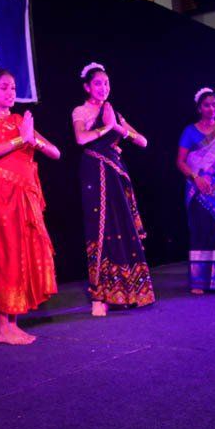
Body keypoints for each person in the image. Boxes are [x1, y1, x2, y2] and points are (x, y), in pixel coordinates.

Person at [0, 64, 60, 344]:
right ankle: (3, 325)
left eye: (13, 87)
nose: (11, 92)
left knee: (22, 253)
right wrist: (22, 138)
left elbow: (56, 152)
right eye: (3, 87)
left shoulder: (21, 119)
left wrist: (33, 139)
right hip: (1, 191)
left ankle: (13, 323)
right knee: (5, 253)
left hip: (25, 193)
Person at [71, 62, 154, 316]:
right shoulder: (81, 111)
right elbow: (81, 139)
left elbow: (142, 141)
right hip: (94, 172)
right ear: (87, 87)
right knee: (100, 228)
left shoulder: (114, 113)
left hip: (116, 174)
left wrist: (117, 127)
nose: (103, 88)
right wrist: (105, 127)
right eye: (98, 83)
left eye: (106, 83)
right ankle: (99, 296)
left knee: (122, 228)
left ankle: (128, 292)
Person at [175, 87, 215, 294]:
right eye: (206, 105)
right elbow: (181, 162)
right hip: (198, 188)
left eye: (214, 104)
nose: (211, 108)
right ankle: (199, 283)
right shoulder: (190, 131)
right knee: (201, 231)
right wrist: (196, 178)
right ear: (199, 108)